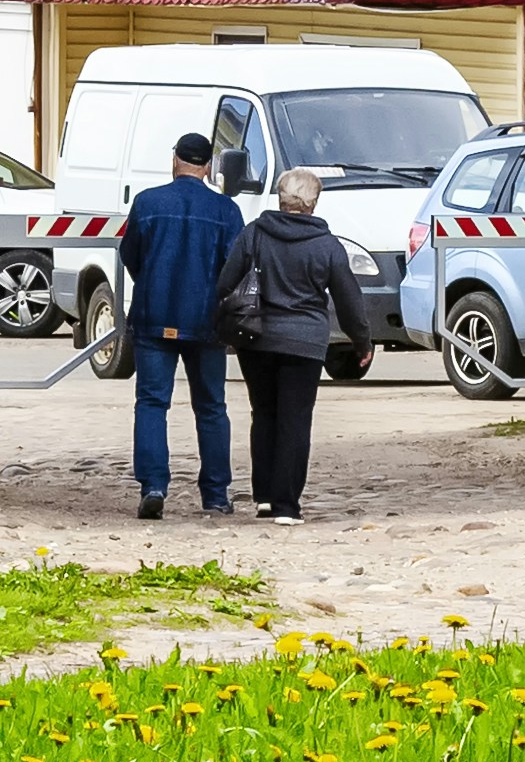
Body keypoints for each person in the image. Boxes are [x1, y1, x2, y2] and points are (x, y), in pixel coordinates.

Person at [224, 162, 361, 523]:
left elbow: (226, 281)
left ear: (281, 199)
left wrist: (218, 321)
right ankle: (287, 505)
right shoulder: (327, 246)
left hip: (257, 339)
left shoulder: (254, 234)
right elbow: (348, 298)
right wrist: (362, 341)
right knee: (295, 421)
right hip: (304, 343)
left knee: (264, 414)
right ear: (313, 204)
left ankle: (265, 496)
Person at [118, 130, 245, 520]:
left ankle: (154, 484)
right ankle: (216, 493)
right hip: (205, 320)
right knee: (211, 407)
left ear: (175, 159)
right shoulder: (226, 210)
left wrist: (152, 281)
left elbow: (131, 254)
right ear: (208, 167)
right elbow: (234, 267)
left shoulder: (147, 202)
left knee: (152, 403)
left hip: (154, 315)